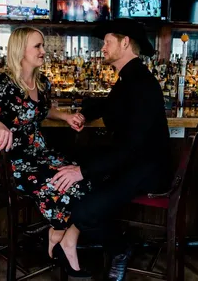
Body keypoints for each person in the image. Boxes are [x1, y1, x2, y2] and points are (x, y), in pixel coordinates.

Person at [0, 26, 92, 278]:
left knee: (83, 176)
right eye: (38, 46)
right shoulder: (1, 84)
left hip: (39, 155)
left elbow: (42, 110)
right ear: (21, 50)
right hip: (14, 164)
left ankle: (59, 233)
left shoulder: (41, 82)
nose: (44, 51)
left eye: (43, 46)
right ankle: (62, 236)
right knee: (64, 184)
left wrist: (64, 116)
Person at [50, 18, 171, 280]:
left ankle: (121, 248)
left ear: (125, 43)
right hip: (131, 161)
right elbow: (110, 104)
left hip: (146, 169)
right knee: (71, 167)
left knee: (84, 210)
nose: (102, 48)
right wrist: (84, 113)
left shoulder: (140, 83)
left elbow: (133, 147)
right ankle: (68, 236)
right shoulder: (130, 77)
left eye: (107, 42)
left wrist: (83, 172)